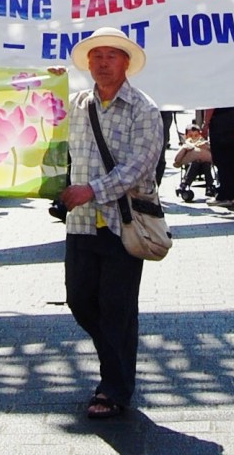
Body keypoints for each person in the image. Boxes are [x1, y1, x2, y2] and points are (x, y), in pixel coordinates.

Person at [60, 26, 162, 420]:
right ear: (88, 63)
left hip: (124, 224)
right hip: (82, 223)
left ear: (125, 63)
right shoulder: (76, 105)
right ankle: (115, 365)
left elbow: (140, 166)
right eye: (97, 57)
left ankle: (114, 388)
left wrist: (92, 189)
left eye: (111, 56)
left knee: (117, 308)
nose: (103, 63)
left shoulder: (143, 109)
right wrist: (43, 87)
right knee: (80, 300)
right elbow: (43, 126)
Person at [205, 104, 234, 208]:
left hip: (219, 121)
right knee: (233, 157)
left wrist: (205, 123)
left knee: (221, 159)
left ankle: (224, 195)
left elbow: (211, 104)